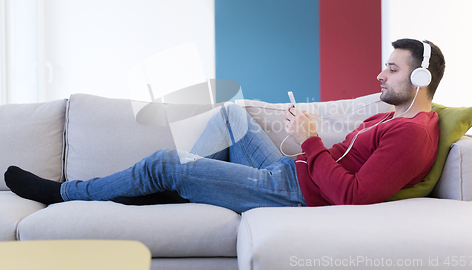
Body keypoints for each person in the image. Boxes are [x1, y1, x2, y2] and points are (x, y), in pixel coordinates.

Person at [4, 38, 445, 213]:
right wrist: (303, 145)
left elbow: (352, 197)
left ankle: (62, 192)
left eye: (390, 69)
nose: (380, 76)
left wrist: (310, 137)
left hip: (294, 195)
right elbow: (341, 163)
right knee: (232, 113)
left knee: (167, 161)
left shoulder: (412, 134)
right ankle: (183, 187)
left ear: (421, 77)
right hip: (291, 172)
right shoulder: (392, 115)